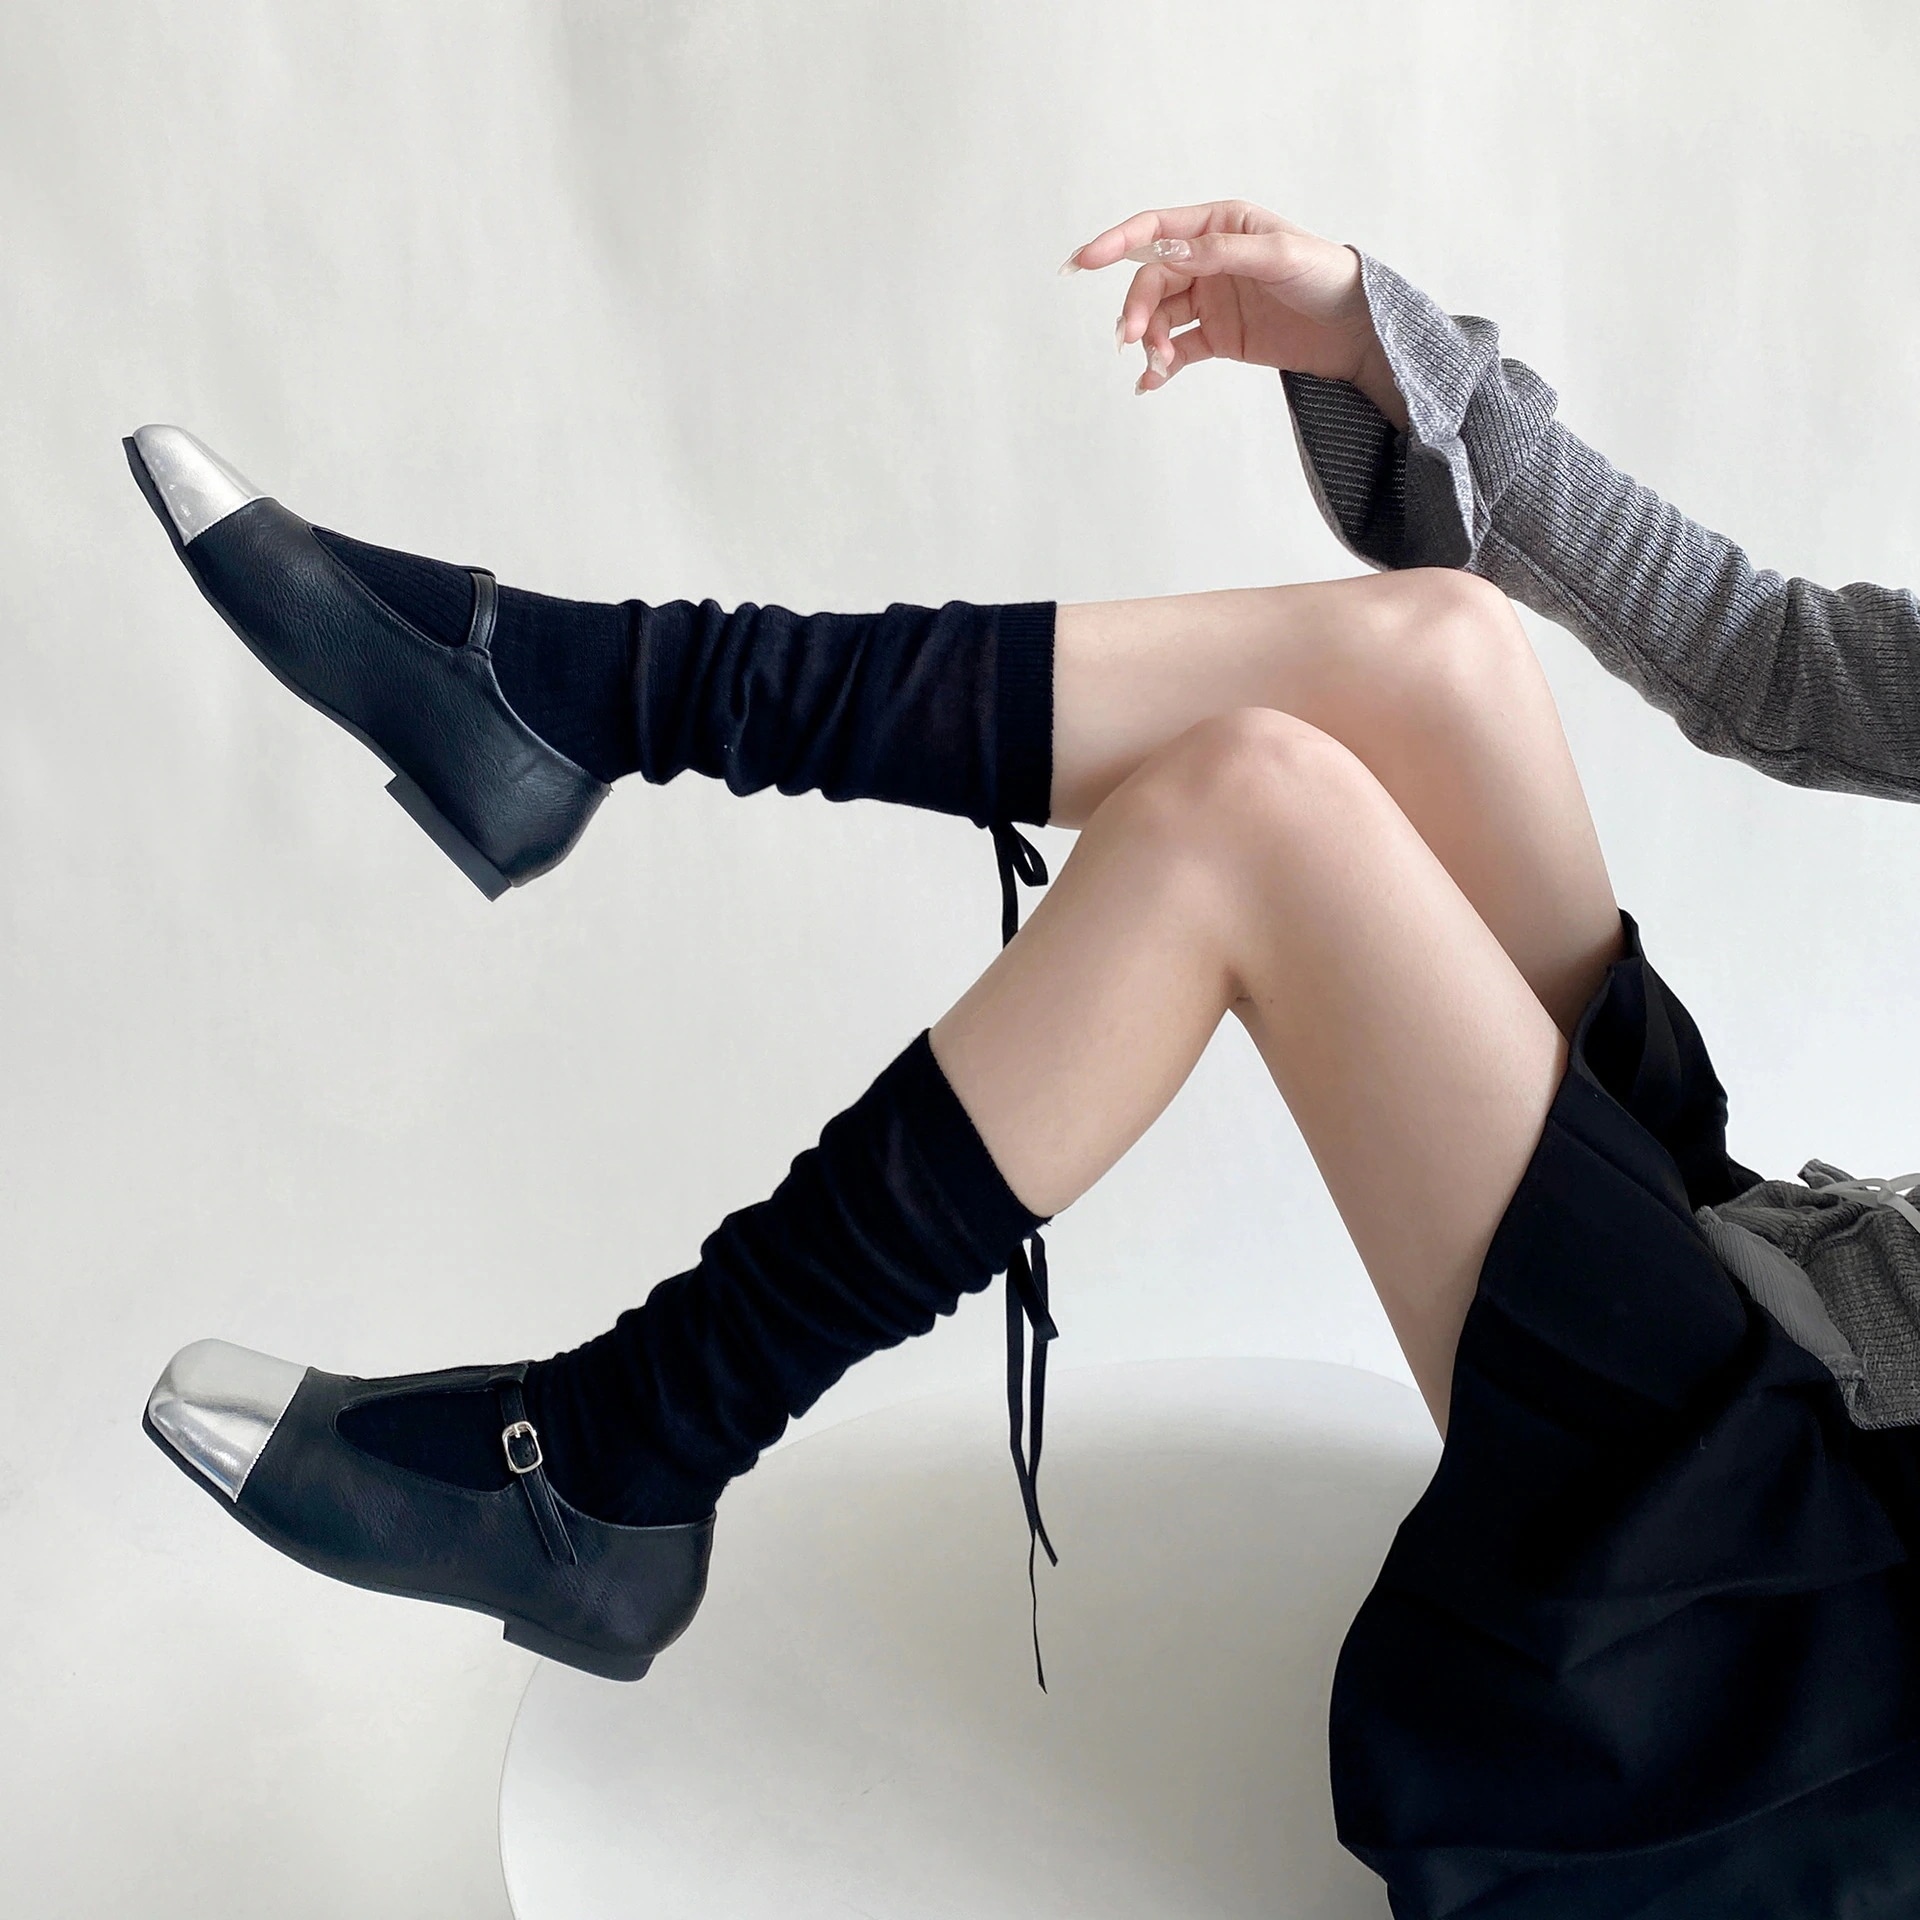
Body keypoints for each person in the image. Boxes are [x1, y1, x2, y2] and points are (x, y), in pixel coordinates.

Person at [130, 199, 1920, 1917]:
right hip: (1794, 1298)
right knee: (1438, 655)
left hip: (1803, 1599)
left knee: (1252, 818)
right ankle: (569, 694)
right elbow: (1776, 658)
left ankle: (617, 1456)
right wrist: (1392, 358)